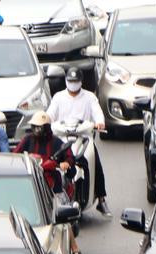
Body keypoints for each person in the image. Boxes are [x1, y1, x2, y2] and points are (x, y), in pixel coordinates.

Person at [14, 111, 82, 254]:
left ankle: (75, 248)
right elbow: (16, 156)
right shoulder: (27, 141)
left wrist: (64, 164)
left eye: (40, 127)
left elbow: (70, 159)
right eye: (35, 127)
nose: (37, 130)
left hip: (53, 187)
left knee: (62, 218)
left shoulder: (57, 142)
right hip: (31, 188)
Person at [46, 67, 110, 216]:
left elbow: (97, 113)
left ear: (81, 82)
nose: (73, 84)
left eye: (75, 81)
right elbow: (50, 114)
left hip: (83, 139)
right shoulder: (58, 97)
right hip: (62, 138)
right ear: (66, 81)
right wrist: (45, 121)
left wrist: (99, 122)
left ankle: (101, 199)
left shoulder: (89, 97)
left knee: (95, 161)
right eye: (70, 81)